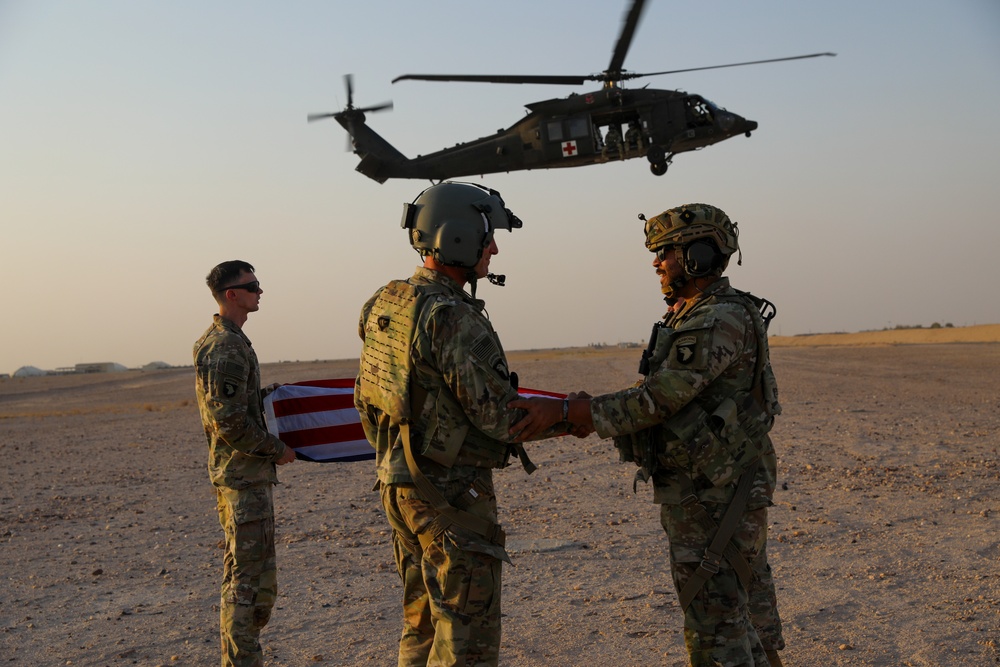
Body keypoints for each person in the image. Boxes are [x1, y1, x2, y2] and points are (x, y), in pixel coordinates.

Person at [509, 204, 785, 667]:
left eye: (665, 253)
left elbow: (656, 401)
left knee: (716, 622)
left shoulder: (713, 319)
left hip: (714, 493)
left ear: (697, 255)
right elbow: (662, 399)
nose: (656, 263)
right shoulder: (698, 314)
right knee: (738, 602)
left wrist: (568, 411)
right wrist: (582, 413)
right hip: (720, 485)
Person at [355, 181, 564, 666]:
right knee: (464, 641)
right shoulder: (452, 317)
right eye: (488, 236)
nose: (494, 247)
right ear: (457, 238)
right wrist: (571, 417)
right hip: (450, 495)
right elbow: (497, 418)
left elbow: (369, 400)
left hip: (399, 485)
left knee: (422, 626)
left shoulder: (385, 303)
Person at [194, 260, 296, 667]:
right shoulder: (226, 346)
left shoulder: (228, 339)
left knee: (253, 581)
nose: (259, 291)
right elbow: (229, 423)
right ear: (230, 295)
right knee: (247, 584)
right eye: (251, 286)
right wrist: (277, 449)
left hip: (243, 477)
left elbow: (236, 408)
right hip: (243, 478)